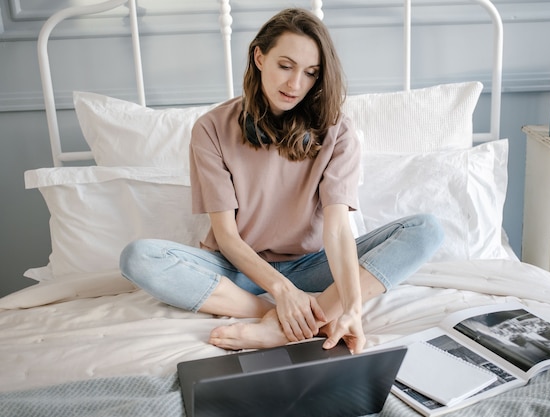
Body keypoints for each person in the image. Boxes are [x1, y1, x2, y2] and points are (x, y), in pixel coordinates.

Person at [119, 8, 443, 355]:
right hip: (237, 267)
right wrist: (284, 295)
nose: (295, 85)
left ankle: (287, 325)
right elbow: (227, 236)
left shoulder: (337, 131)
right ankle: (288, 319)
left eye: (310, 73)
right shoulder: (211, 128)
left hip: (311, 266)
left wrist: (350, 307)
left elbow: (336, 230)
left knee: (426, 229)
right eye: (285, 66)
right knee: (138, 257)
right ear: (260, 57)